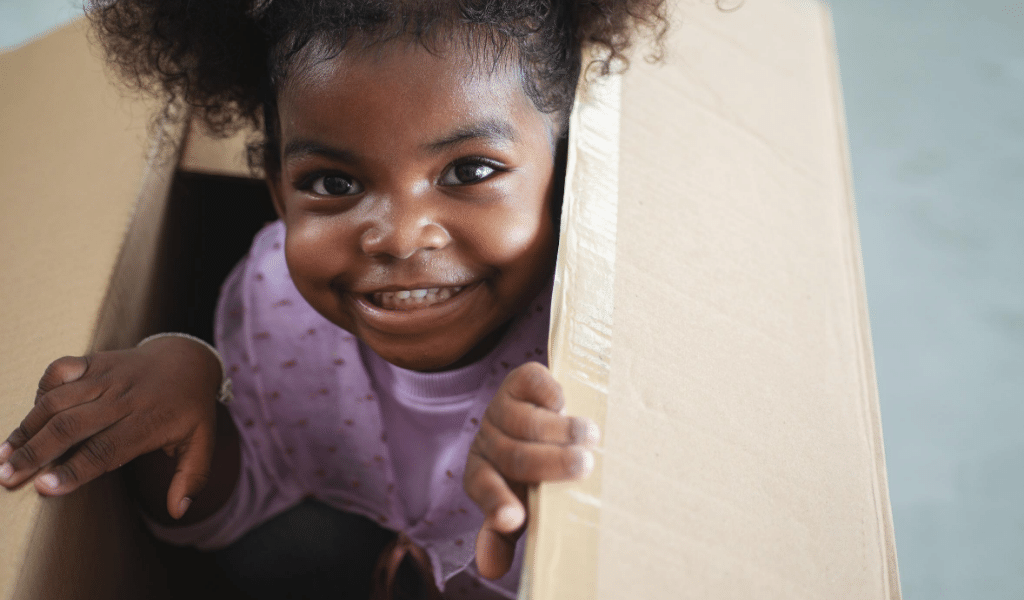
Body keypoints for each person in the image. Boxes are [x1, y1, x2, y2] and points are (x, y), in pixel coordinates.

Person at [0, 1, 665, 598]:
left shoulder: (585, 362)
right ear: (276, 193)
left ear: (564, 173)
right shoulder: (277, 312)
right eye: (332, 182)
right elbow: (238, 521)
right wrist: (182, 396)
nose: (400, 236)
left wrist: (537, 525)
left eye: (469, 171)